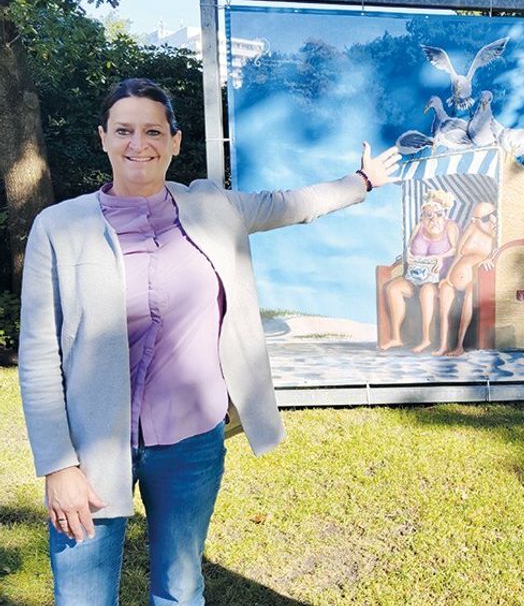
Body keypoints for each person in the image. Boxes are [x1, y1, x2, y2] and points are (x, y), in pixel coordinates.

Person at [17, 78, 400, 605]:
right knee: (83, 597)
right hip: (90, 448)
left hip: (192, 443)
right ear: (103, 137)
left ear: (175, 141)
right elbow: (39, 356)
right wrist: (58, 466)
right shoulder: (58, 227)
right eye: (124, 130)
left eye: (154, 131)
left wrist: (363, 181)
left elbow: (292, 203)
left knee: (180, 589)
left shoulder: (212, 208)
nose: (138, 144)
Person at [380, 189, 460, 353]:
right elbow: (409, 249)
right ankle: (396, 337)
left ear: (444, 212)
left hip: (438, 279)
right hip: (415, 276)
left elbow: (456, 250)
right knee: (393, 288)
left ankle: (426, 339)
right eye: (429, 214)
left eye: (438, 214)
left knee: (426, 291)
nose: (434, 218)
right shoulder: (419, 227)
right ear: (423, 214)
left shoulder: (450, 227)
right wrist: (408, 256)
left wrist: (440, 257)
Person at [434, 201, 497, 356]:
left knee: (469, 295)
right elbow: (459, 254)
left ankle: (459, 346)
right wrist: (448, 277)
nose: (493, 220)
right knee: (445, 296)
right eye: (486, 218)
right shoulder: (472, 228)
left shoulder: (495, 234)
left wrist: (489, 260)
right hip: (454, 278)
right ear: (474, 220)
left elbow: (497, 254)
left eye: (493, 214)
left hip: (473, 280)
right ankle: (443, 345)